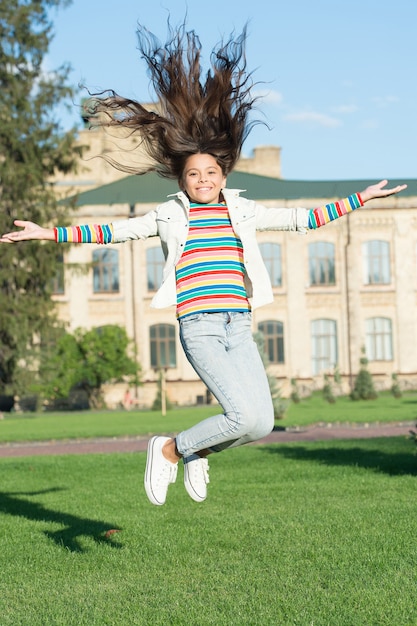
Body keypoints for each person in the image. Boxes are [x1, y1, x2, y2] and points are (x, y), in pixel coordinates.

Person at [0, 21, 407, 506]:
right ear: (182, 179)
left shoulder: (242, 209)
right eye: (194, 174)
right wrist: (49, 232)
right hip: (201, 325)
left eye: (211, 172)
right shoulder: (169, 214)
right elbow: (112, 232)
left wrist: (358, 199)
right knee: (240, 414)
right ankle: (170, 450)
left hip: (239, 325)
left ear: (223, 174)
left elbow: (302, 219)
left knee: (259, 422)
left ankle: (193, 451)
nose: (203, 180)